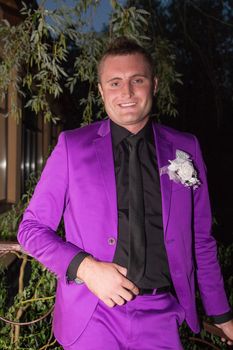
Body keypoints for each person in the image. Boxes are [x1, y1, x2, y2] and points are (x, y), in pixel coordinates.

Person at [18, 37, 233, 349]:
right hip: (93, 315)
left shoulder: (186, 147)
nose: (127, 93)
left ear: (154, 85)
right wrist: (86, 268)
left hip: (163, 314)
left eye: (138, 80)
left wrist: (222, 314)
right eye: (115, 82)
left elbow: (201, 240)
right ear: (102, 90)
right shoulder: (72, 147)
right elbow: (31, 230)